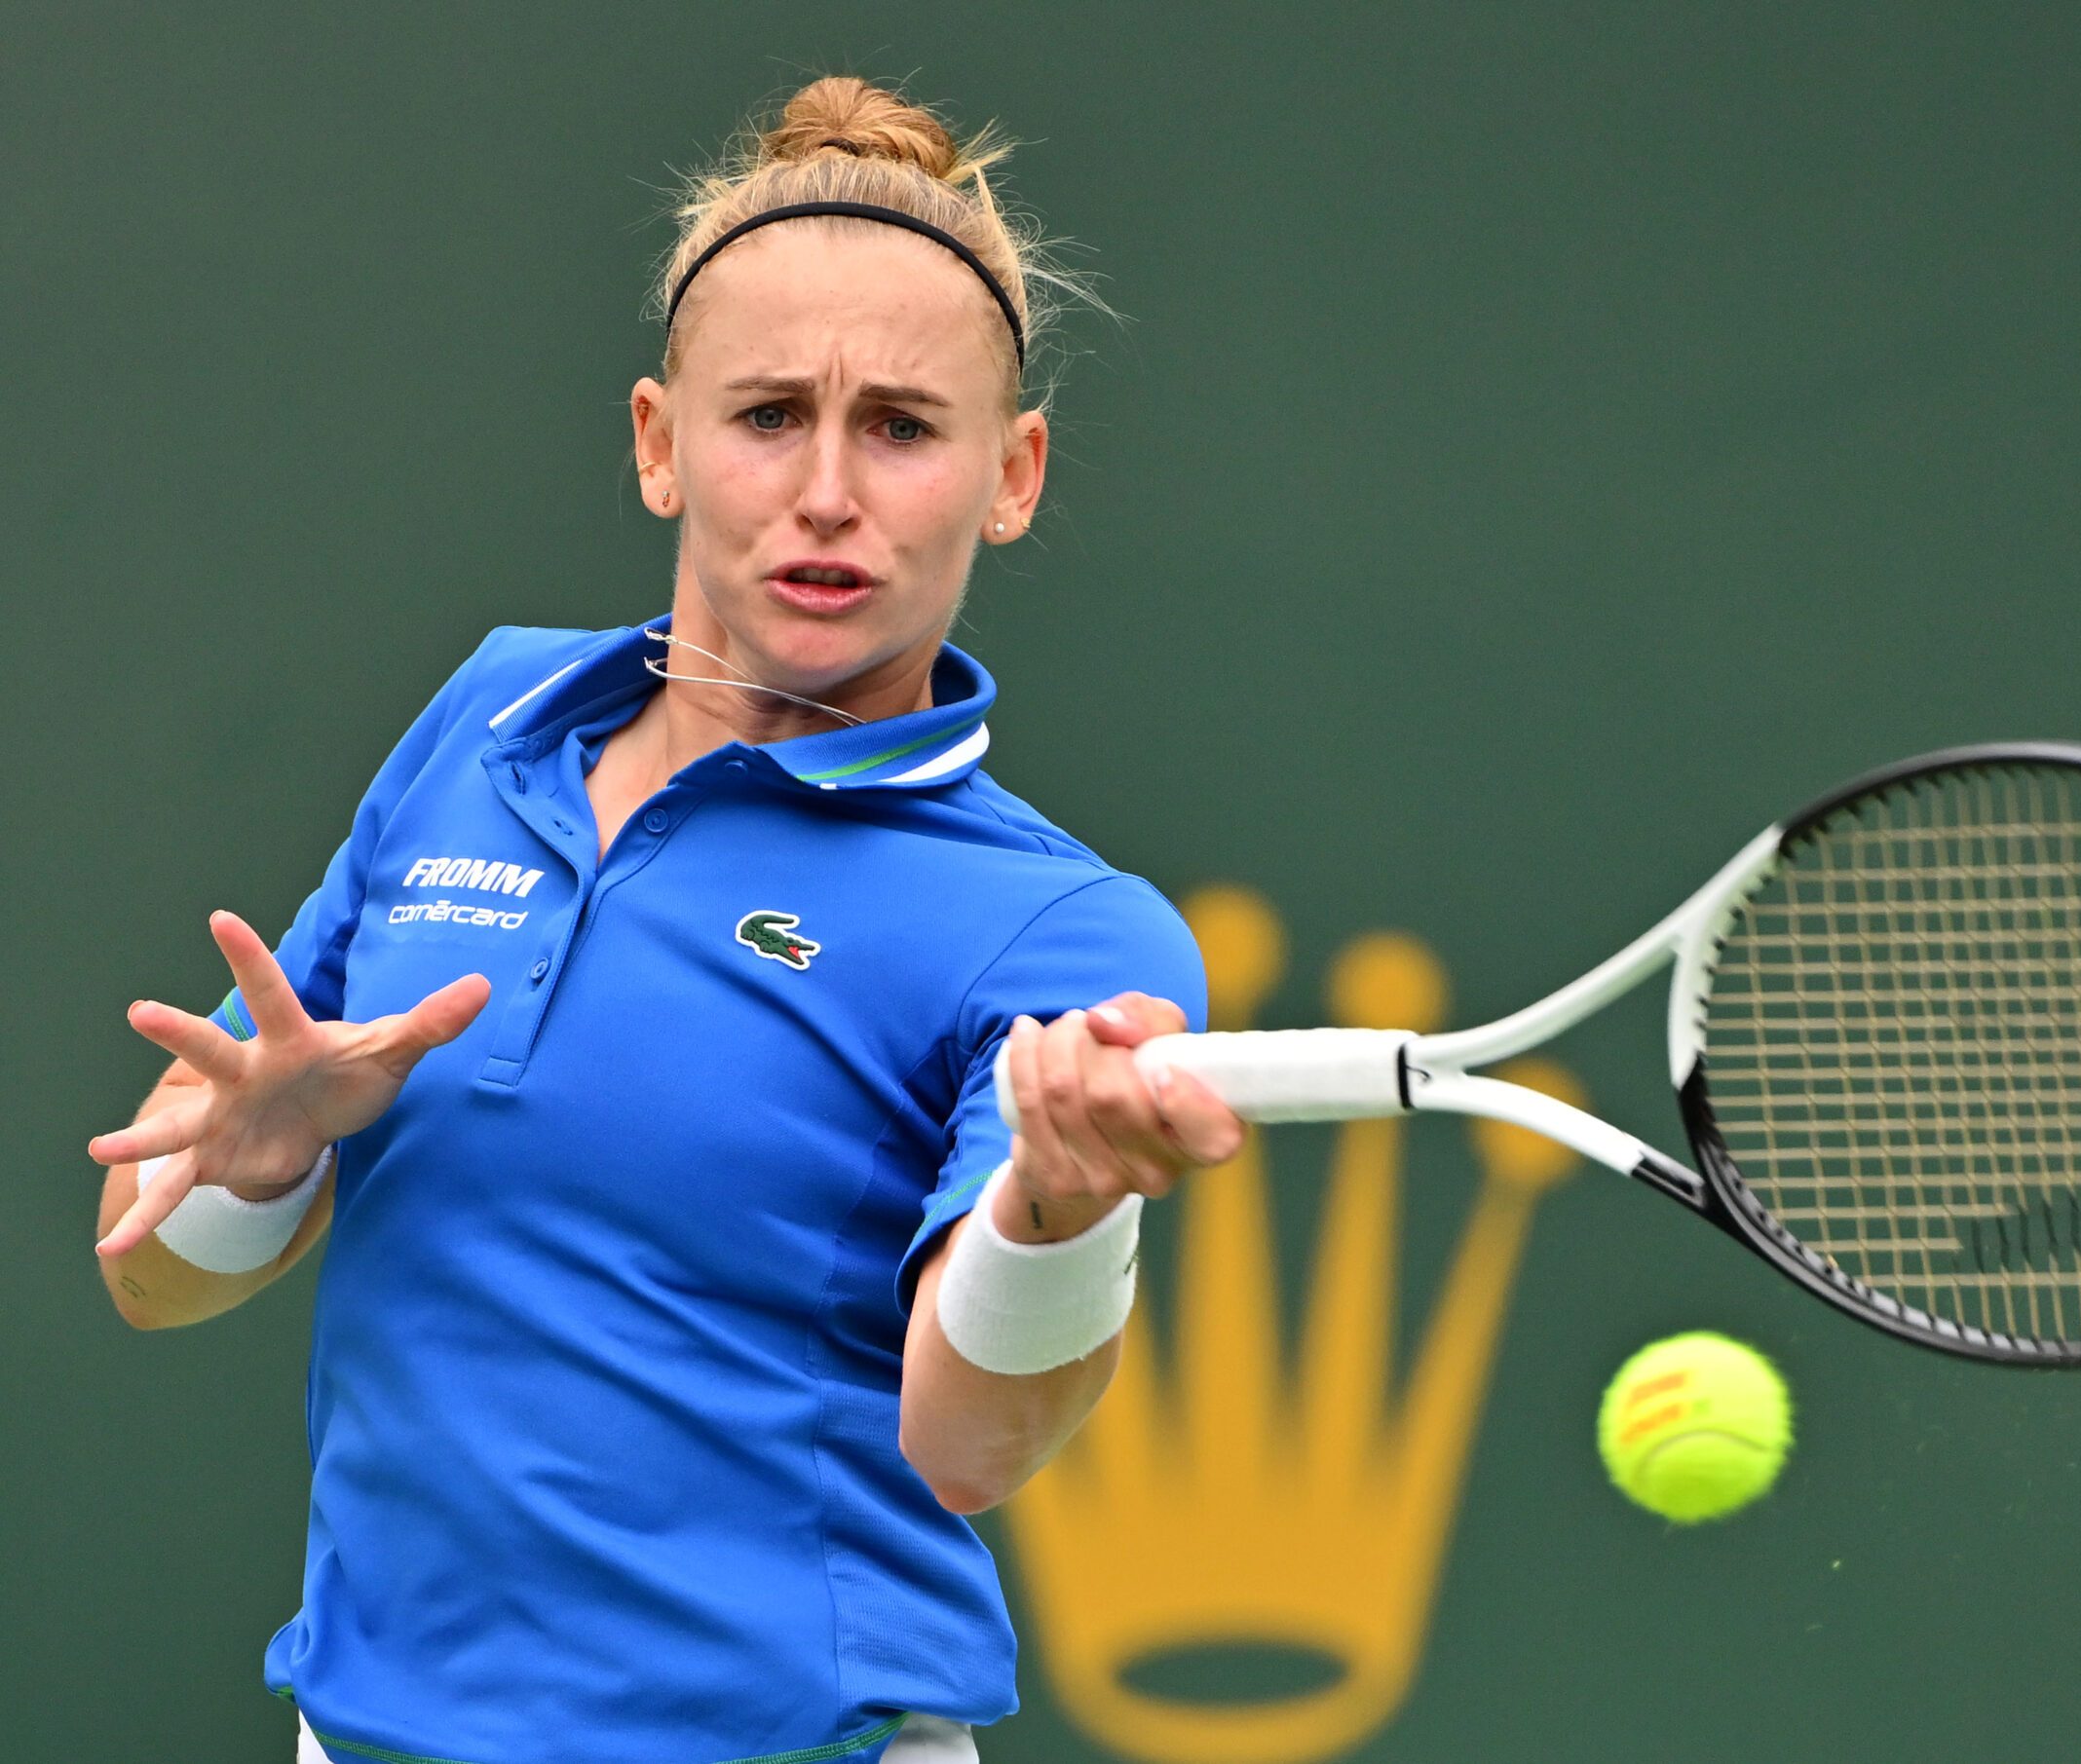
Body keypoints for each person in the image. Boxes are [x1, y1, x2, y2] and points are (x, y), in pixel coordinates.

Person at [87, 74, 1242, 1764]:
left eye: (905, 428)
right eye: (768, 413)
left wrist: (1062, 1213)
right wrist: (253, 1170)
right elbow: (154, 1287)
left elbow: (973, 1453)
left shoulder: (1064, 932)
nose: (829, 491)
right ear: (656, 441)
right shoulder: (485, 725)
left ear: (1014, 474)